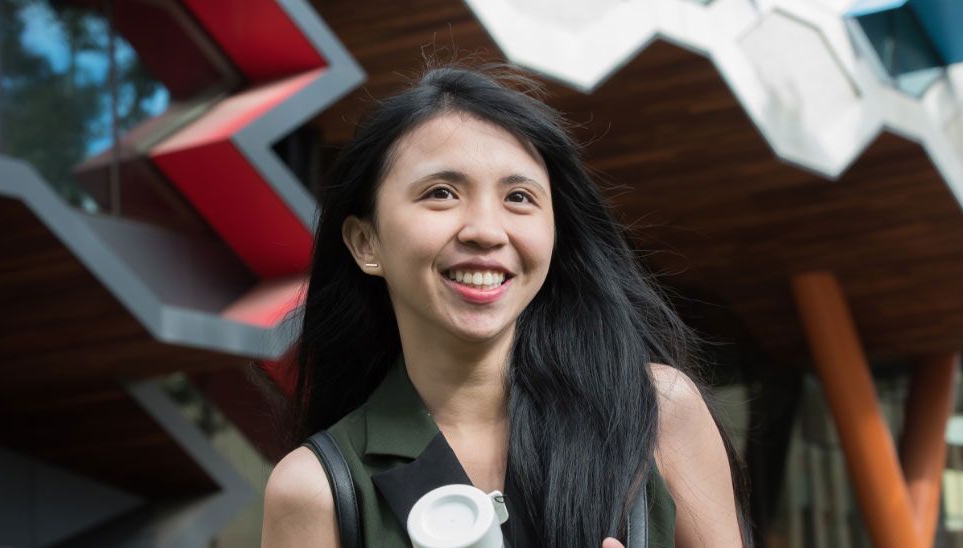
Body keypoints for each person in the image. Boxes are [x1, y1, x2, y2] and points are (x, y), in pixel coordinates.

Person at [260, 63, 748, 547]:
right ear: (366, 243)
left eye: (519, 197)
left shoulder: (657, 415)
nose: (487, 231)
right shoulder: (317, 490)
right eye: (441, 193)